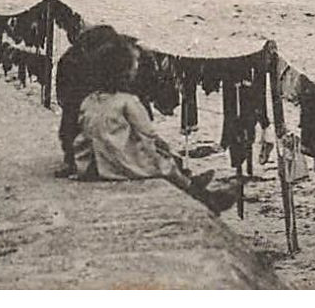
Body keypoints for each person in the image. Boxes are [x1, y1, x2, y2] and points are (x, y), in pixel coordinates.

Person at [71, 35, 236, 214]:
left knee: (164, 158)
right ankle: (201, 194)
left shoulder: (89, 101)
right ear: (125, 72)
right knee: (166, 163)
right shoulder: (128, 101)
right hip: (119, 165)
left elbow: (85, 135)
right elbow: (147, 134)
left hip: (94, 165)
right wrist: (164, 154)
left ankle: (193, 185)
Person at [55, 23, 127, 177]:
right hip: (79, 88)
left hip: (94, 84)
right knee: (74, 120)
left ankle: (89, 160)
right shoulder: (72, 59)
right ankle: (73, 160)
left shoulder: (115, 51)